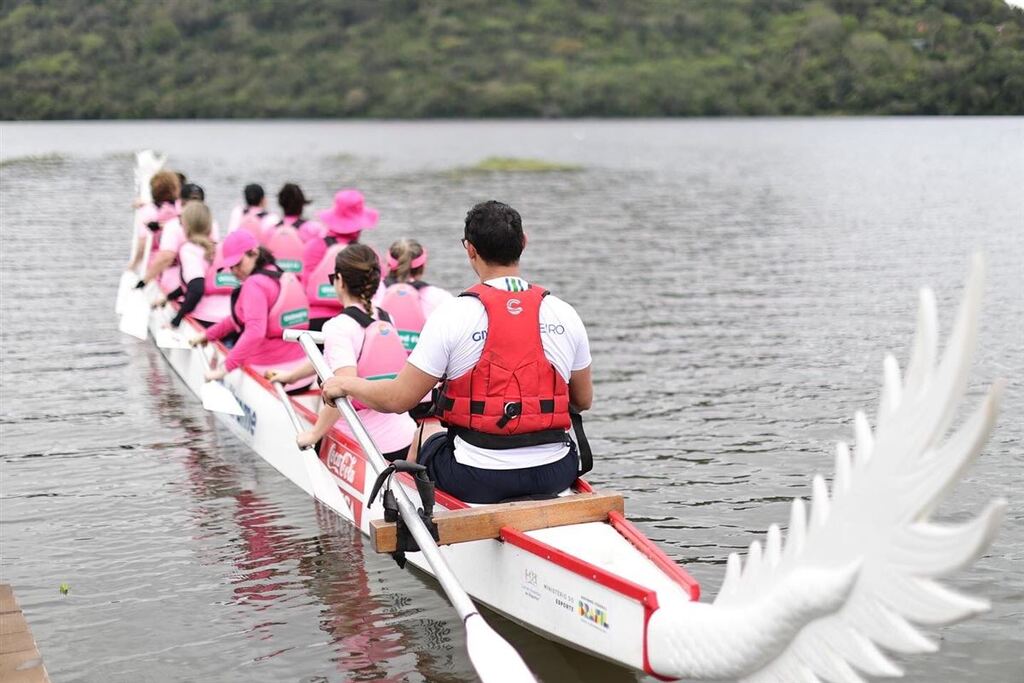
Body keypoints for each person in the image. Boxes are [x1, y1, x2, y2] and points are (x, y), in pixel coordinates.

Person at [321, 201, 593, 504]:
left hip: (477, 477)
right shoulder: (564, 312)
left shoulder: (453, 314)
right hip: (556, 471)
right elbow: (582, 401)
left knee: (426, 431)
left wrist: (344, 383)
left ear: (470, 250)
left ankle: (410, 514)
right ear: (523, 243)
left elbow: (398, 400)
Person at [271, 244, 414, 460]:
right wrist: (291, 377)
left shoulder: (338, 327)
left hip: (367, 445)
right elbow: (335, 359)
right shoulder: (385, 317)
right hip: (405, 437)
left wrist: (313, 434)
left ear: (339, 280)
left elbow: (342, 386)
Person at [192, 231, 312, 387]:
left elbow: (255, 332)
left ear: (254, 253)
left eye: (238, 264)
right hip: (302, 372)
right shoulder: (275, 270)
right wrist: (208, 335)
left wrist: (224, 369)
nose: (234, 271)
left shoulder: (254, 284)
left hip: (270, 373)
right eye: (231, 266)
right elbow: (240, 316)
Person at [302, 189, 378, 332]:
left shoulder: (314, 246)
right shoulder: (367, 254)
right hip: (354, 322)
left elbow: (305, 286)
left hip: (314, 322)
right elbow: (376, 291)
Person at [153, 202, 236, 327]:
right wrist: (168, 297)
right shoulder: (220, 247)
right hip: (231, 318)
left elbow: (197, 288)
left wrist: (176, 320)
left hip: (206, 319)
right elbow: (197, 283)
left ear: (186, 226)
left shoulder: (189, 249)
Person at [138, 182, 220, 293]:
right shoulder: (212, 224)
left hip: (176, 284)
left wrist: (144, 281)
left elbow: (165, 258)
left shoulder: (173, 226)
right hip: (206, 281)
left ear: (180, 202)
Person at [379, 238, 453, 352]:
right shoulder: (441, 298)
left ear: (388, 265)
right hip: (422, 367)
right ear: (423, 267)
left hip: (382, 364)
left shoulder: (371, 293)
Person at [127, 170, 180, 275]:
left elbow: (143, 244)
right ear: (175, 189)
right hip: (178, 260)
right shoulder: (181, 208)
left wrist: (133, 265)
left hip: (157, 264)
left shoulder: (147, 211)